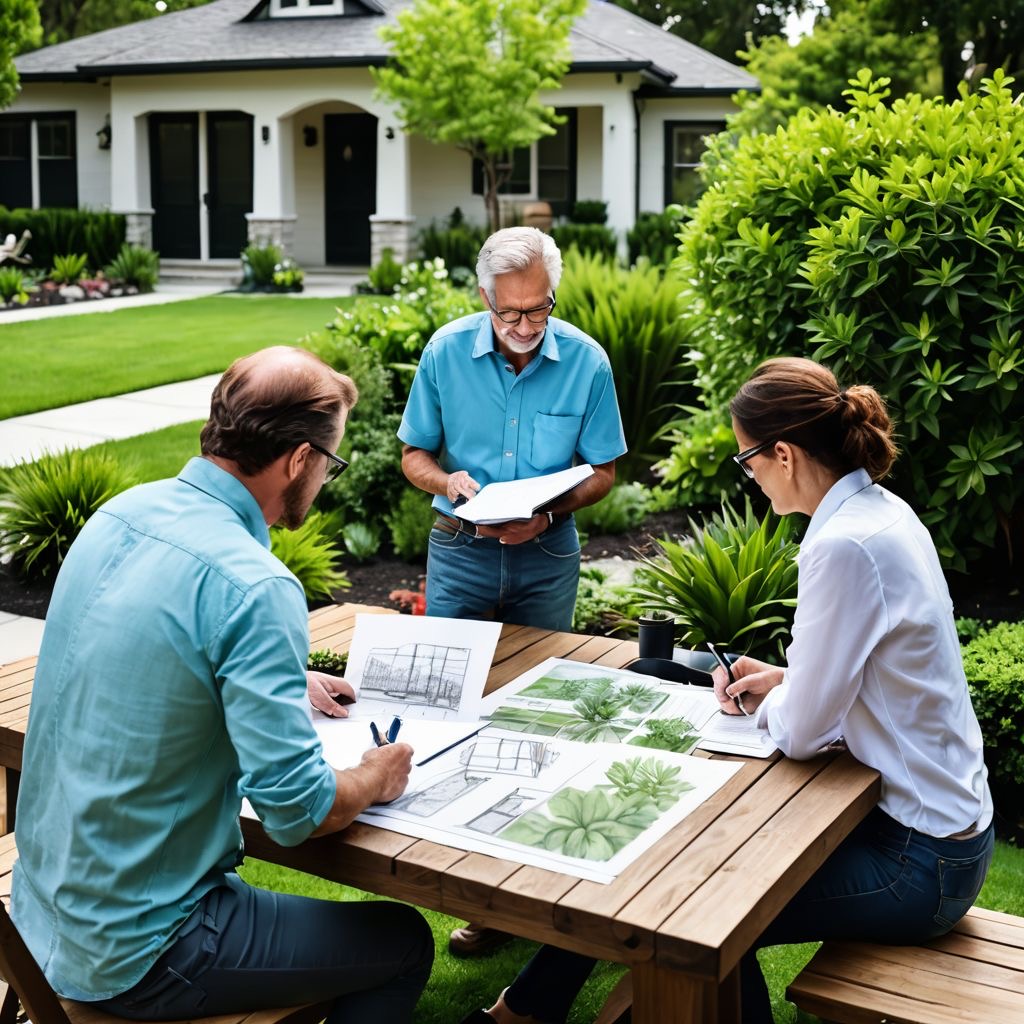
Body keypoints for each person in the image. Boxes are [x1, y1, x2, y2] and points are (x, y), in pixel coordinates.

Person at [460, 356, 994, 1024]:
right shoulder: (881, 515)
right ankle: (532, 1007)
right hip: (939, 828)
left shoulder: (844, 547)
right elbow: (873, 678)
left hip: (923, 863)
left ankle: (535, 1010)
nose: (749, 477)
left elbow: (800, 735)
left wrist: (777, 702)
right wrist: (787, 682)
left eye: (747, 461)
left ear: (784, 454)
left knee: (708, 914)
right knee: (670, 871)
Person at [12, 346, 434, 1023]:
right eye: (330, 462)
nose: (325, 477)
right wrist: (376, 775)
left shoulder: (119, 515)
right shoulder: (255, 584)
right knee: (405, 940)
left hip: (42, 916)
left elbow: (136, 644)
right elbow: (298, 812)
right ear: (299, 459)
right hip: (145, 948)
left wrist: (265, 678)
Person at [399, 225, 627, 959]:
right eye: (511, 313)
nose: (526, 326)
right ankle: (472, 894)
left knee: (539, 720)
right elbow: (414, 454)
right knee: (455, 717)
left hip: (545, 556)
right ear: (485, 298)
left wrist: (551, 512)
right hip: (460, 551)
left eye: (539, 309)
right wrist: (448, 482)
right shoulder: (444, 352)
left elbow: (603, 471)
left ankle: (536, 893)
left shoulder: (586, 362)